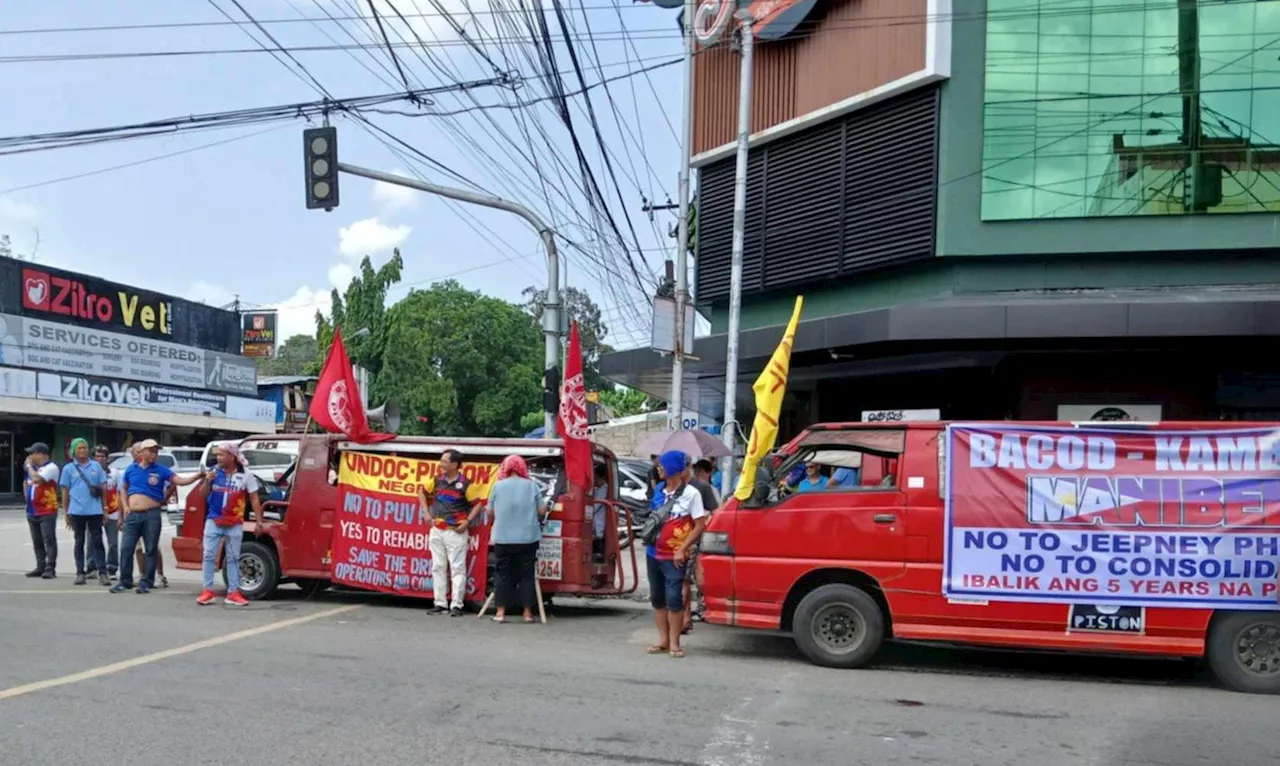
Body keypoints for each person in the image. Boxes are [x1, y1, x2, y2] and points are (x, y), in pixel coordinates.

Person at [112, 439, 202, 595]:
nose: (154, 454)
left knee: (151, 549)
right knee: (126, 548)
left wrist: (198, 476)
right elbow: (124, 489)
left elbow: (180, 481)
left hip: (151, 514)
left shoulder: (161, 470)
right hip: (133, 515)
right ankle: (125, 582)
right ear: (143, 452)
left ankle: (147, 582)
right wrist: (126, 507)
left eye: (156, 452)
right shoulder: (131, 470)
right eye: (151, 451)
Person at [645, 450, 708, 659]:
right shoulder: (659, 491)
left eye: (662, 465)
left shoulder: (692, 494)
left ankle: (675, 643)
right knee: (658, 599)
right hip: (653, 552)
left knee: (674, 599)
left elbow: (700, 525)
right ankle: (663, 641)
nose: (658, 468)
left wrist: (683, 548)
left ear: (672, 469)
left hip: (674, 557)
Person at [196, 442, 262, 607]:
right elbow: (203, 494)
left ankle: (233, 592)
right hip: (214, 520)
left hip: (234, 522)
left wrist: (259, 521)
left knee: (234, 558)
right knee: (209, 556)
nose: (218, 458)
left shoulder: (246, 474)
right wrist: (207, 482)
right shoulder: (213, 472)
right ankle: (207, 591)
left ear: (232, 456)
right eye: (217, 454)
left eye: (222, 454)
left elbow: (254, 498)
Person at [419, 449, 483, 616]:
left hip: (456, 531)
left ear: (455, 465)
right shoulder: (437, 480)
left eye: (444, 461)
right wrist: (426, 512)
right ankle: (440, 603)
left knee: (457, 568)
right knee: (438, 567)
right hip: (437, 529)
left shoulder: (466, 484)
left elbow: (478, 504)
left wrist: (468, 521)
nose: (441, 464)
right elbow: (421, 492)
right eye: (441, 461)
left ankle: (457, 605)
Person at [487, 454, 547, 623]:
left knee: (502, 575)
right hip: (528, 538)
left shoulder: (497, 486)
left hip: (503, 538)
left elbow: (490, 511)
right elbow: (542, 511)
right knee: (527, 575)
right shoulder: (532, 486)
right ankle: (527, 614)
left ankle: (500, 613)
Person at [60, 437, 108, 586]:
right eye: (79, 448)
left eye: (85, 448)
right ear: (73, 451)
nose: (82, 451)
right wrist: (66, 512)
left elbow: (103, 489)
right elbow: (65, 492)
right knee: (78, 542)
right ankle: (80, 573)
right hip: (76, 511)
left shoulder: (96, 466)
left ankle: (102, 573)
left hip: (94, 510)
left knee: (97, 542)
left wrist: (105, 509)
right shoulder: (68, 468)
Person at [685, 459, 722, 630]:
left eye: (702, 471)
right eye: (697, 469)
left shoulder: (706, 488)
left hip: (699, 537)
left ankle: (699, 610)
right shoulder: (674, 487)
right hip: (682, 539)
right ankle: (688, 614)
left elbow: (716, 513)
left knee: (695, 577)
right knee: (685, 578)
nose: (699, 473)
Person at [23, 442, 60, 579]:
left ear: (41, 454)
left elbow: (37, 479)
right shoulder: (33, 468)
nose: (30, 456)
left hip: (47, 510)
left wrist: (28, 466)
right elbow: (27, 483)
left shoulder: (51, 467)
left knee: (48, 539)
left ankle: (50, 567)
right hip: (32, 510)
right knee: (37, 540)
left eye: (33, 453)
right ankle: (40, 566)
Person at [95, 445, 122, 580]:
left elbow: (120, 492)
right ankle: (92, 567)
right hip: (94, 512)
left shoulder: (115, 473)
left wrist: (121, 514)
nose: (100, 459)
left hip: (112, 511)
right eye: (97, 456)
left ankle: (111, 568)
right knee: (93, 541)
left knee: (113, 543)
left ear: (107, 458)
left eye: (102, 457)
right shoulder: (90, 472)